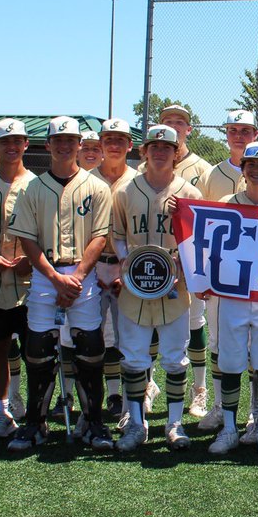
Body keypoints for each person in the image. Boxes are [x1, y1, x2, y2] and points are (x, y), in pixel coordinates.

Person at [7, 116, 114, 452]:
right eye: (59, 140)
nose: (65, 145)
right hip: (45, 275)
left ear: (80, 145)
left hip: (83, 278)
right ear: (47, 145)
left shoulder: (97, 187)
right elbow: (27, 240)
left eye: (71, 140)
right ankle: (35, 424)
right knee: (38, 351)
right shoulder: (32, 188)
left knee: (91, 349)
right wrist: (55, 278)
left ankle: (93, 421)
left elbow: (100, 236)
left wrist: (78, 277)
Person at [111, 125, 203, 453]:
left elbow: (198, 240)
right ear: (144, 151)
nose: (161, 152)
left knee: (175, 359)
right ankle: (136, 423)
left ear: (176, 153)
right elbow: (118, 235)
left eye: (168, 147)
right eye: (155, 147)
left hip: (175, 290)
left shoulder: (188, 194)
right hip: (135, 290)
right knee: (134, 358)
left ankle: (174, 424)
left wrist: (182, 266)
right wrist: (128, 266)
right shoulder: (125, 190)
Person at [204, 142, 258, 457]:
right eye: (250, 164)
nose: (256, 170)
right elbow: (206, 247)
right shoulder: (225, 204)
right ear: (242, 170)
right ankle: (230, 429)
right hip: (233, 296)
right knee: (230, 364)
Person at [197, 109, 258, 432]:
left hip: (257, 278)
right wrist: (204, 275)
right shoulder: (214, 174)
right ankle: (219, 407)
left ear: (256, 133)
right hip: (224, 277)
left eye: (245, 130)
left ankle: (253, 413)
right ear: (226, 133)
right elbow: (205, 228)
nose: (239, 135)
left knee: (255, 349)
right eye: (233, 129)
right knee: (218, 344)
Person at [0, 118, 35, 439]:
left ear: (26, 144)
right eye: (5, 142)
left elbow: (50, 231)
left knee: (35, 351)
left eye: (18, 141)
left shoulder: (38, 184)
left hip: (31, 286)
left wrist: (33, 258)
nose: (12, 147)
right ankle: (2, 413)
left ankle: (33, 412)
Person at [158, 102, 214, 418]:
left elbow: (205, 220)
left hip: (189, 261)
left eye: (180, 122)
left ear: (189, 129)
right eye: (168, 121)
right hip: (155, 259)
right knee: (151, 321)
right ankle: (151, 386)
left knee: (195, 324)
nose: (175, 127)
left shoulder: (202, 169)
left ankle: (200, 390)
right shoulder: (147, 164)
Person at [89, 117, 139, 426]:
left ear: (129, 144)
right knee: (92, 336)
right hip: (94, 265)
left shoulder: (138, 180)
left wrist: (129, 268)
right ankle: (103, 396)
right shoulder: (86, 179)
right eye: (109, 138)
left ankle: (133, 395)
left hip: (127, 265)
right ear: (101, 143)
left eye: (120, 139)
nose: (114, 144)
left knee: (130, 338)